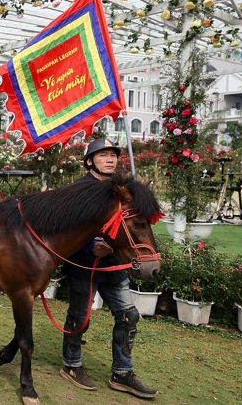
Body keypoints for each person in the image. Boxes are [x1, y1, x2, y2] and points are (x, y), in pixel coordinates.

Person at [59, 139, 157, 399]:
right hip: (85, 265)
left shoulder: (124, 190)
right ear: (90, 161)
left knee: (129, 316)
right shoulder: (78, 190)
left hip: (115, 266)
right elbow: (66, 229)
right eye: (103, 155)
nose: (110, 159)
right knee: (79, 319)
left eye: (113, 155)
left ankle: (122, 373)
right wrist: (91, 245)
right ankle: (71, 365)